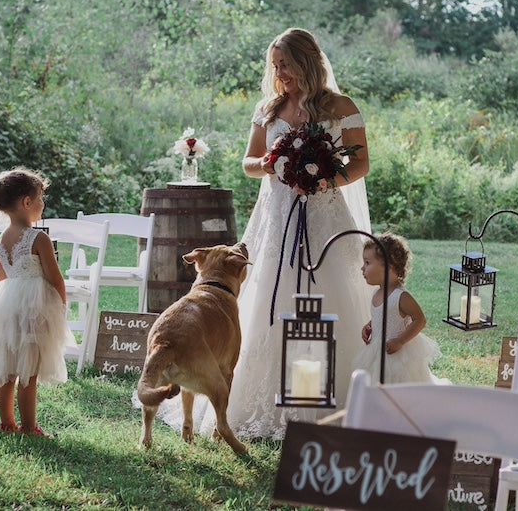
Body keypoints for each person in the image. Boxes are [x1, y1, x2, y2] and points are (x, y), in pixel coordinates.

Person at [143, 27, 373, 442]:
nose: (279, 73)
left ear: (307, 62)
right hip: (276, 215)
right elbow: (247, 163)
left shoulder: (340, 106)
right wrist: (272, 163)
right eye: (275, 65)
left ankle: (329, 397)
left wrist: (324, 180)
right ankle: (260, 396)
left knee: (330, 294)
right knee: (268, 295)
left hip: (325, 215)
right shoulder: (269, 109)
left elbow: (360, 165)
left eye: (285, 64)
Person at [0, 168, 76, 437]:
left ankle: (7, 423)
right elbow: (56, 280)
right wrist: (61, 308)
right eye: (40, 198)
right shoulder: (38, 237)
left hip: (6, 305)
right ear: (26, 202)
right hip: (34, 308)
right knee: (28, 372)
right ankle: (29, 427)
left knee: (6, 369)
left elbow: (2, 277)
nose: (43, 204)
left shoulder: (2, 239)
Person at [353, 232, 444, 385]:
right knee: (377, 383)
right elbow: (383, 315)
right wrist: (370, 325)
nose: (362, 268)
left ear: (389, 266)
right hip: (378, 350)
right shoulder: (377, 292)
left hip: (397, 354)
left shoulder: (400, 296)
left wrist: (400, 341)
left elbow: (420, 320)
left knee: (397, 385)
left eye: (367, 263)